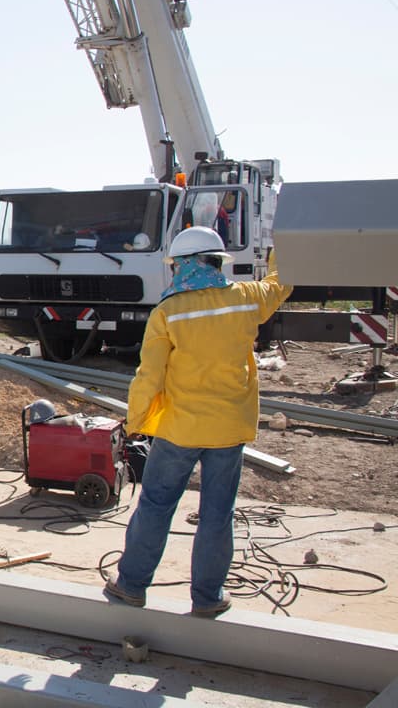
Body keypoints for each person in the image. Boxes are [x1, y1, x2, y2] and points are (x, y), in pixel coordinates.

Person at [104, 227, 292, 618]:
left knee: (155, 506)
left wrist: (136, 423)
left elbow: (149, 377)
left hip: (179, 430)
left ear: (182, 266)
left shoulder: (168, 312)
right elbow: (280, 282)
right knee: (217, 514)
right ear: (216, 262)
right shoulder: (245, 300)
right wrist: (283, 248)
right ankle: (208, 597)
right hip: (228, 431)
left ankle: (132, 585)